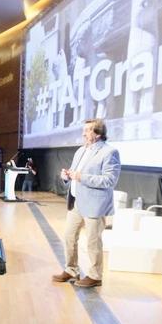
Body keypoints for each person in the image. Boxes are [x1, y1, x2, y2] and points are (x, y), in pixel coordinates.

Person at [52, 119, 121, 288]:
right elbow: (75, 174)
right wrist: (67, 176)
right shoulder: (81, 151)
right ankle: (71, 269)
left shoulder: (109, 152)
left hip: (94, 205)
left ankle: (95, 276)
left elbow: (110, 180)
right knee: (69, 236)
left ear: (98, 134)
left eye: (87, 130)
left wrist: (81, 177)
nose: (83, 134)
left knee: (92, 241)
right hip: (76, 202)